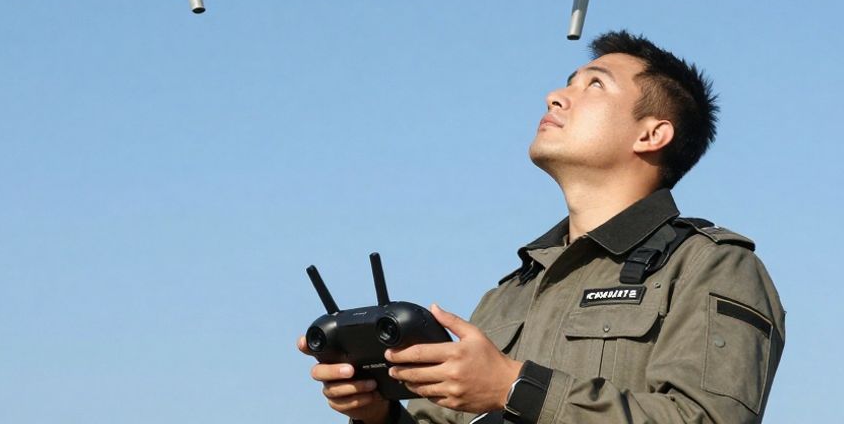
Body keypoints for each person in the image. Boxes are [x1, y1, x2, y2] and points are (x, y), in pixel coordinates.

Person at [300, 30, 785, 424]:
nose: (556, 96)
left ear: (652, 133)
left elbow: (706, 419)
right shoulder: (511, 292)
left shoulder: (712, 266)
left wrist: (514, 387)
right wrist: (376, 414)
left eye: (593, 85)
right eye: (567, 82)